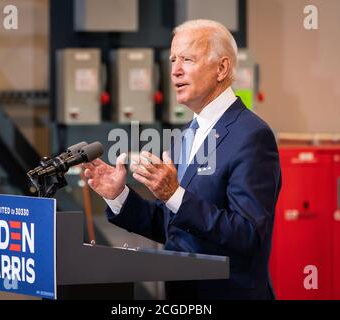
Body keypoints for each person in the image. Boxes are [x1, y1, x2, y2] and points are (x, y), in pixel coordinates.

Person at [83, 19, 282, 300]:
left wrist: (175, 194)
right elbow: (174, 226)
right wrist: (119, 196)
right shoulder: (187, 132)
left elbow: (247, 234)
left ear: (221, 68)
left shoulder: (251, 135)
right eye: (173, 60)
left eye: (188, 59)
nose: (175, 70)